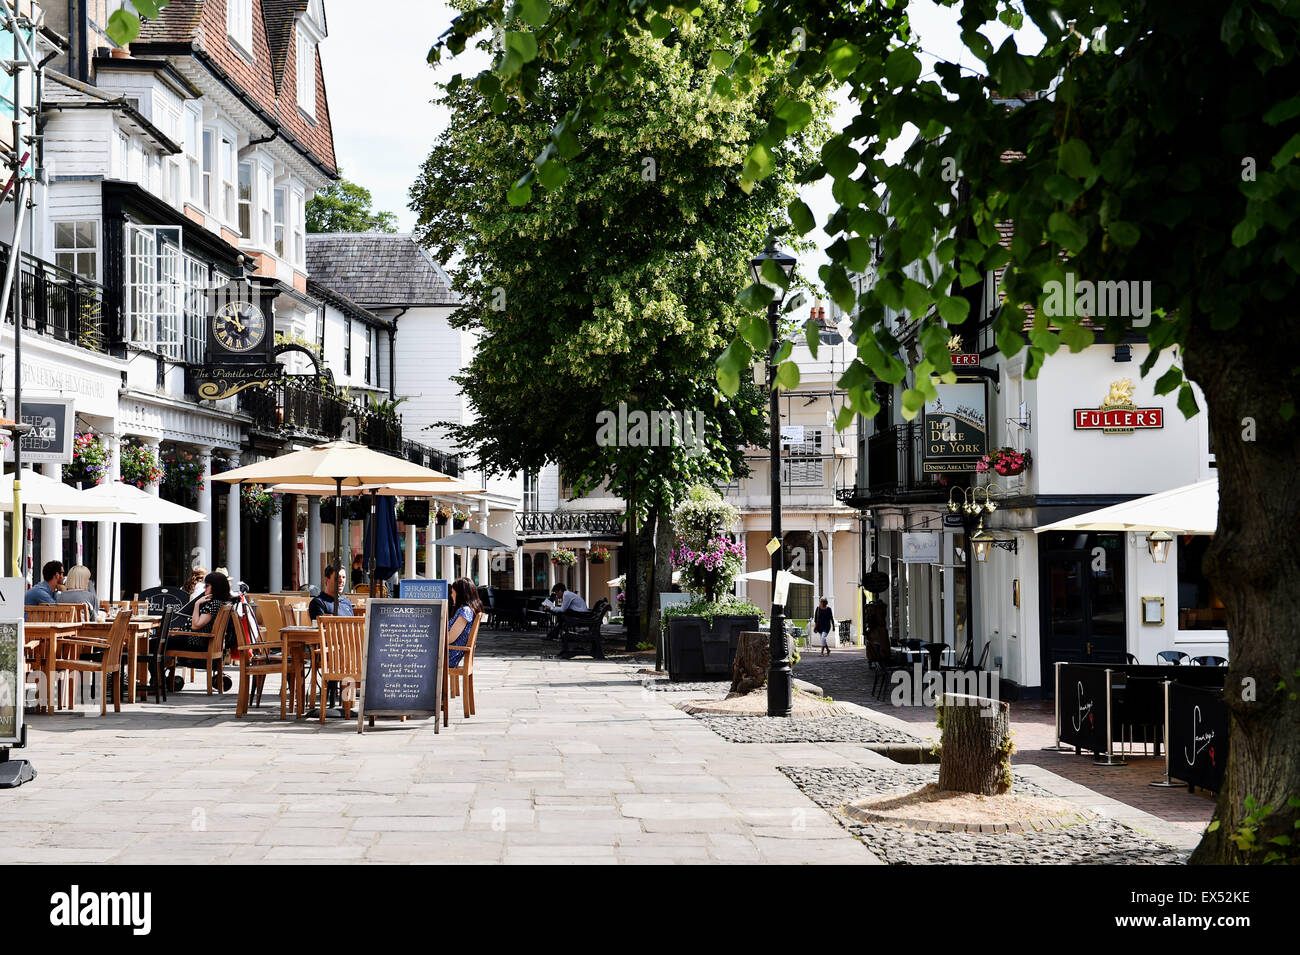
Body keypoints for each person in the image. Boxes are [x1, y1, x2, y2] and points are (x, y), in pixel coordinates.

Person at [169, 571, 235, 652]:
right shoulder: (222, 603)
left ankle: (156, 664)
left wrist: (197, 604)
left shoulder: (214, 603)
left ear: (215, 587)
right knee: (162, 641)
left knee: (155, 643)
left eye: (207, 585)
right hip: (199, 641)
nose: (204, 588)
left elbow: (195, 625)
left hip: (194, 642)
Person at [448, 577, 483, 668]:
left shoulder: (465, 611)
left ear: (460, 594)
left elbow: (450, 638)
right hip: (450, 652)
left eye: (453, 592)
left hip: (449, 655)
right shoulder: (468, 610)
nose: (452, 595)